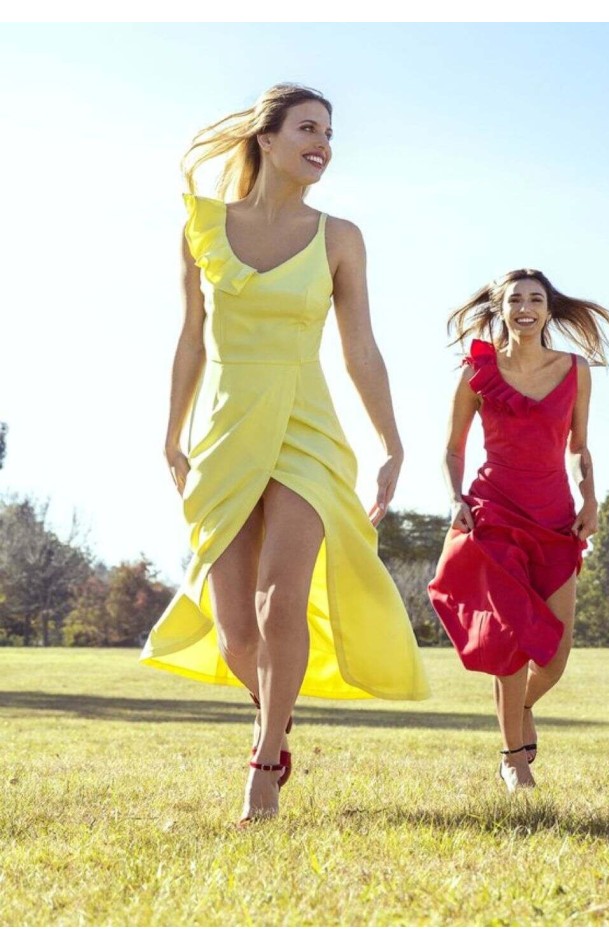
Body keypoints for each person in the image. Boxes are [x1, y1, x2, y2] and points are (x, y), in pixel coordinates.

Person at [140, 84, 429, 823]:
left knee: (279, 601)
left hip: (306, 422)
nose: (324, 142)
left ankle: (263, 763)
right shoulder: (202, 228)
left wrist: (391, 443)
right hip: (227, 425)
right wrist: (170, 433)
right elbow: (189, 340)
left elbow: (360, 346)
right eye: (308, 128)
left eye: (330, 132)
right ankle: (275, 709)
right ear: (266, 140)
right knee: (238, 630)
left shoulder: (340, 237)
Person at [428, 269, 609, 792]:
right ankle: (514, 758)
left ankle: (522, 707)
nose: (526, 307)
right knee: (510, 642)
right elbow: (451, 448)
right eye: (515, 300)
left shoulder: (575, 370)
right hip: (495, 515)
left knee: (554, 659)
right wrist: (455, 498)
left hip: (555, 519)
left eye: (536, 299)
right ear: (501, 308)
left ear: (549, 310)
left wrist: (590, 497)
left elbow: (578, 447)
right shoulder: (477, 372)